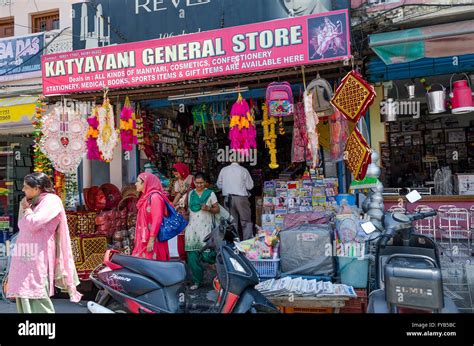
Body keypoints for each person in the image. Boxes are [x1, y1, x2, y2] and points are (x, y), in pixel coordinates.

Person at [6, 172, 82, 313]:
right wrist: (27, 209)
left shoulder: (51, 201)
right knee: (23, 293)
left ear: (37, 188)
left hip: (38, 255)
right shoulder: (33, 202)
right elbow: (23, 226)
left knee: (36, 291)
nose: (23, 190)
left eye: (26, 187)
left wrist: (27, 210)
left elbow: (35, 223)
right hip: (25, 254)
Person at [185, 173, 220, 290]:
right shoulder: (190, 194)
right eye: (196, 183)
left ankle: (216, 272)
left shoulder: (210, 193)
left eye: (201, 183)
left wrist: (209, 208)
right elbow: (187, 209)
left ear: (205, 182)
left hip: (205, 229)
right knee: (192, 256)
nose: (199, 185)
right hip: (192, 229)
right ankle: (197, 281)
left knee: (208, 254)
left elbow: (217, 209)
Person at [133, 172, 170, 261]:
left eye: (138, 182)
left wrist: (151, 240)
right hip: (145, 239)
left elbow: (157, 219)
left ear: (145, 183)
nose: (135, 184)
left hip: (153, 240)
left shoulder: (155, 197)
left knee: (153, 267)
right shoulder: (145, 197)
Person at [216, 160, 254, 240]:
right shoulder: (243, 170)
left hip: (228, 198)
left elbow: (219, 185)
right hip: (241, 198)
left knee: (232, 222)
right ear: (240, 160)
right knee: (246, 222)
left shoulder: (224, 170)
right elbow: (250, 186)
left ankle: (234, 245)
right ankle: (247, 244)